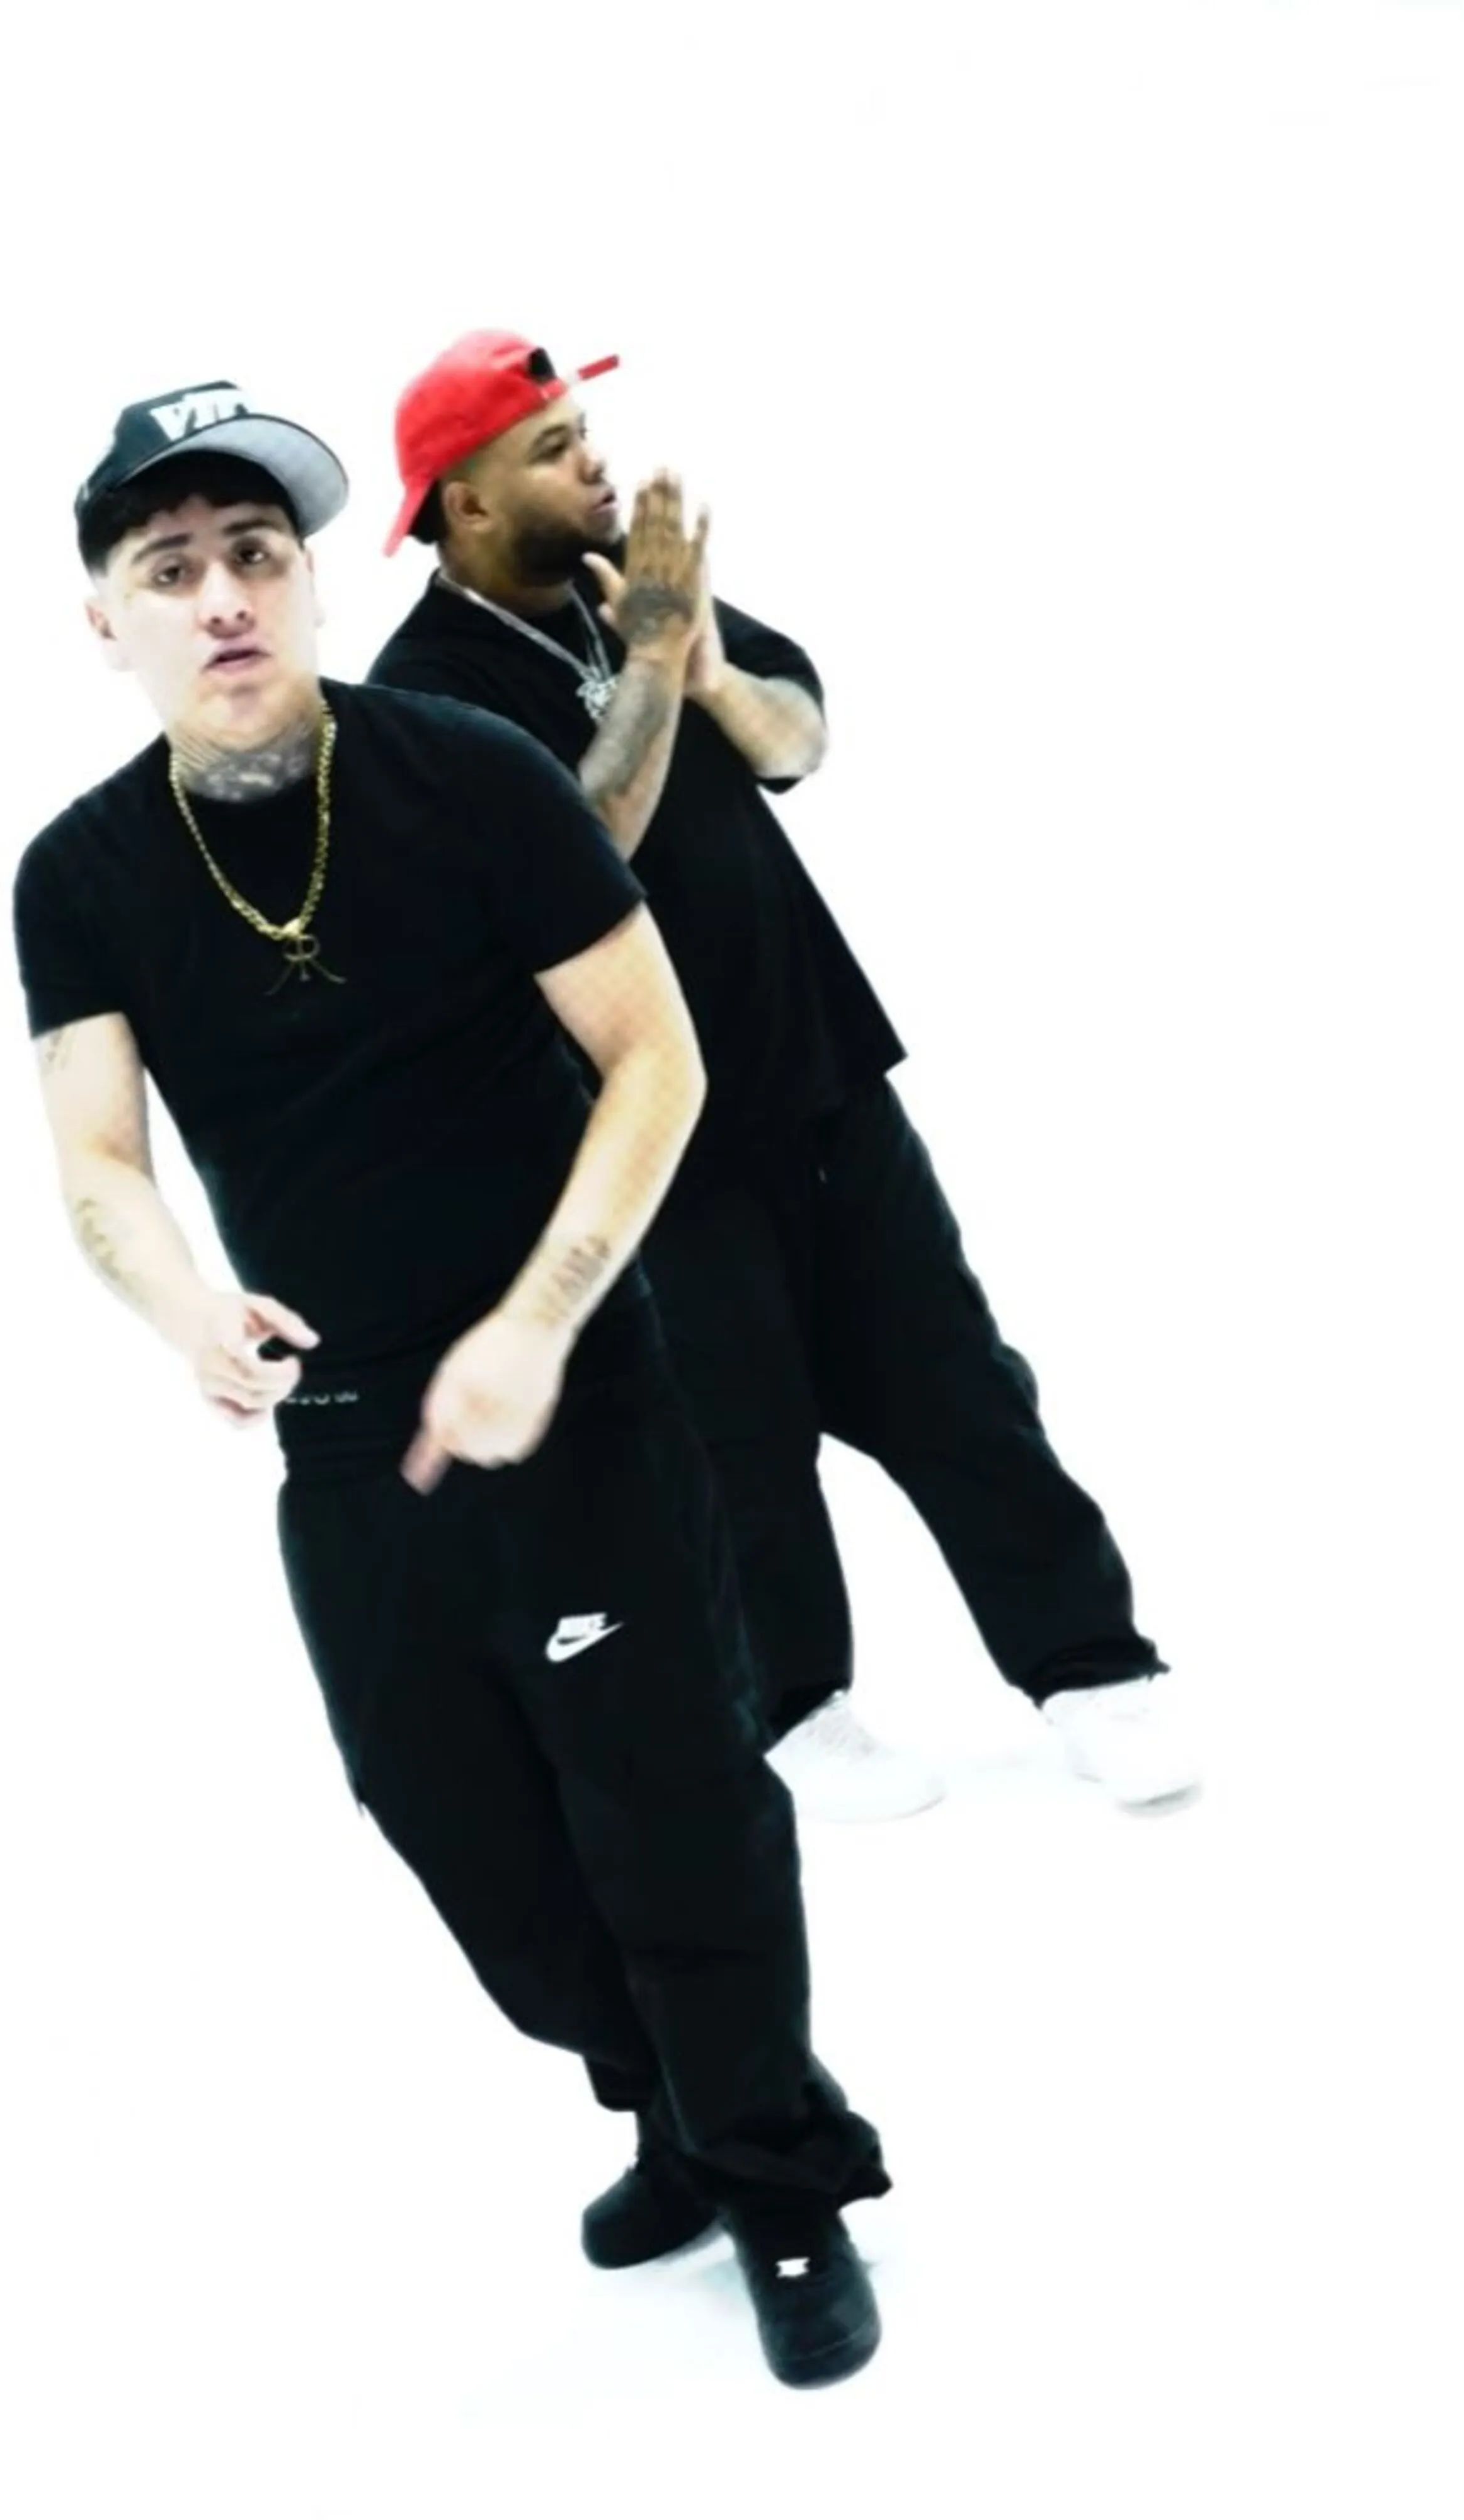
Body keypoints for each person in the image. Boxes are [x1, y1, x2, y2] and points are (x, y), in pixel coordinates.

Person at [9, 379, 892, 2388]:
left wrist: (542, 1319)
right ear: (108, 620)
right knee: (454, 1819)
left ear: (308, 581)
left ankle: (778, 2171)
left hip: (574, 1389)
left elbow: (654, 1059)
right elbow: (98, 1161)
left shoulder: (470, 775)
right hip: (346, 1442)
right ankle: (665, 2096)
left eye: (255, 555)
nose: (223, 597)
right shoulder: (80, 874)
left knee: (673, 1804)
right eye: (171, 569)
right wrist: (185, 1307)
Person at [367, 331, 1199, 1824]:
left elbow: (797, 737)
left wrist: (702, 664)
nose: (595, 462)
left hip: (822, 1075)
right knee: (735, 1435)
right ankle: (797, 1709)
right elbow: (571, 853)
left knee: (961, 1387)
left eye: (583, 428)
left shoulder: (630, 587)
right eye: (552, 447)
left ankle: (1093, 1668)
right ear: (464, 502)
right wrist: (648, 662)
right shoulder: (422, 698)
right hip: (652, 1135)